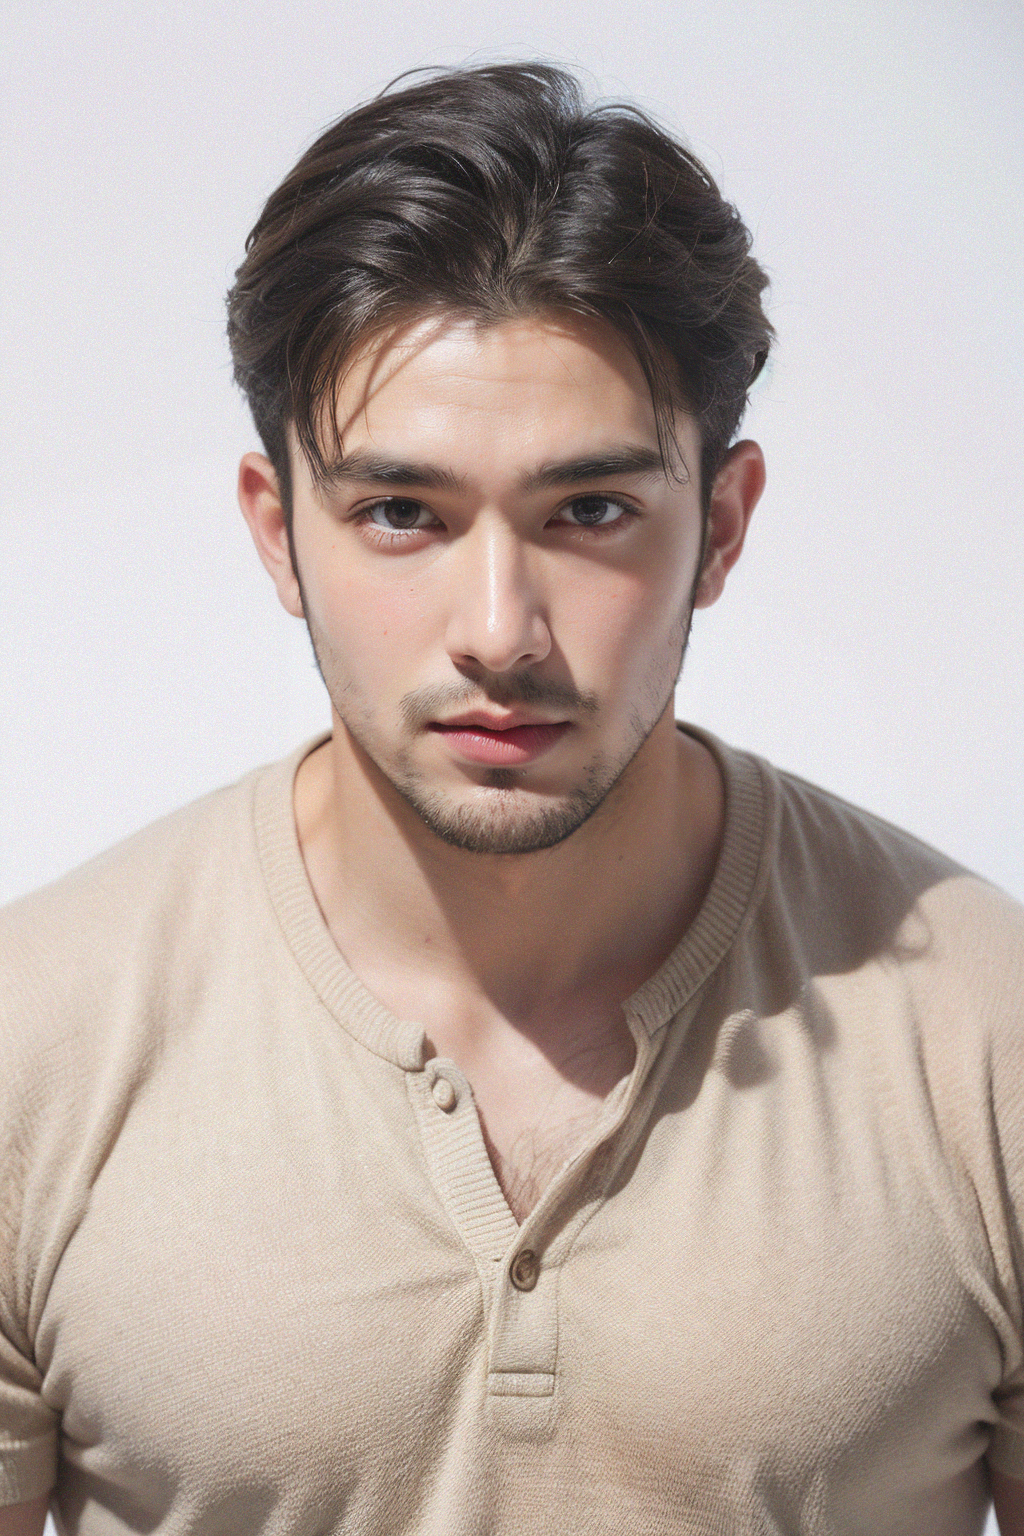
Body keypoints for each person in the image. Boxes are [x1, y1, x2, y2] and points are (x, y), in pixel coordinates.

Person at [1, 61, 1022, 1536]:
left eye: (589, 511)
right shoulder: (35, 1049)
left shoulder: (985, 1040)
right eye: (400, 513)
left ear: (722, 525)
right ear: (278, 533)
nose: (499, 629)